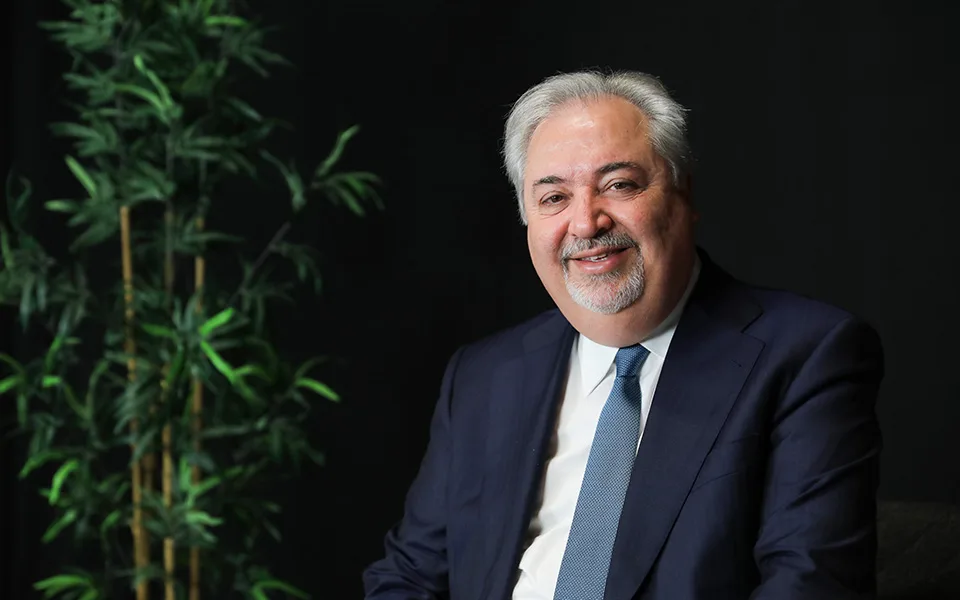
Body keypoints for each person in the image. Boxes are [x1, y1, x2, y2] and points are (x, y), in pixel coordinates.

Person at [362, 70, 884, 600]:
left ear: (683, 193)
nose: (585, 223)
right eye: (554, 197)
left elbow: (810, 584)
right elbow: (409, 578)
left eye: (619, 185)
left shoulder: (806, 356)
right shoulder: (482, 375)